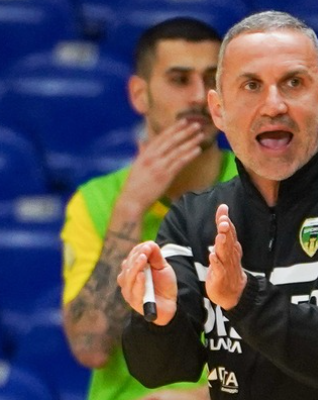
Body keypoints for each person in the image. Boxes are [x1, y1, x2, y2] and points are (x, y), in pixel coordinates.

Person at [118, 10, 318, 400]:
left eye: (293, 83)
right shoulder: (192, 219)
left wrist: (243, 296)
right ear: (218, 110)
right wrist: (157, 322)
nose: (273, 105)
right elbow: (161, 369)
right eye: (251, 85)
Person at [61, 17, 238, 400]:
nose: (199, 96)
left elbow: (297, 350)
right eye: (179, 80)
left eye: (212, 79)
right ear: (140, 94)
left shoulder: (263, 190)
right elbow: (90, 347)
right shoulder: (96, 200)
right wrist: (130, 208)